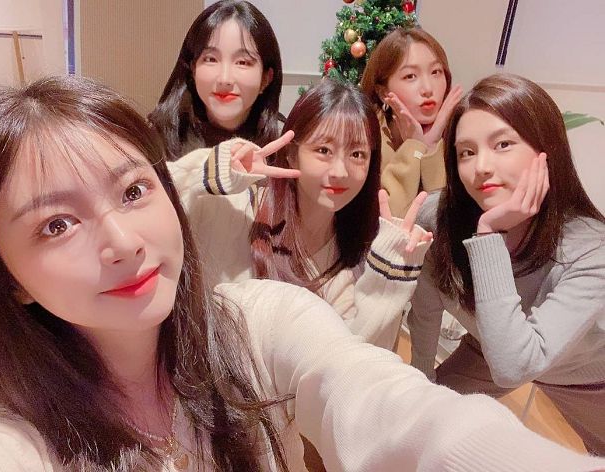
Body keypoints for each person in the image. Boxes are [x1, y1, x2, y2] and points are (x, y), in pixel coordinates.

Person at [0, 75, 605, 472]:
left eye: (134, 191)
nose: (121, 242)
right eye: (56, 224)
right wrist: (213, 173)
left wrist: (392, 277)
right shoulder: (7, 436)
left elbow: (385, 397)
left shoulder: (260, 317)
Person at [407, 73, 605, 456]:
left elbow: (515, 365)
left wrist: (488, 236)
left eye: (502, 144)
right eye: (466, 152)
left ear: (546, 150)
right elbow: (426, 310)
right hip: (489, 349)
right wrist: (420, 384)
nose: (481, 166)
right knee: (422, 420)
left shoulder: (591, 249)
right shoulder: (439, 216)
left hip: (587, 381)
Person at [169, 78, 432, 352]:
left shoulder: (356, 261)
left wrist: (386, 283)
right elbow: (156, 199)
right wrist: (212, 169)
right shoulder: (237, 211)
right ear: (292, 154)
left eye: (357, 154)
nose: (340, 171)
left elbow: (353, 364)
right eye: (323, 150)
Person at [148, 0, 283, 158]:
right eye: (211, 59)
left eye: (242, 62)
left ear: (266, 78)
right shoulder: (156, 139)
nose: (224, 79)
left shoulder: (283, 144)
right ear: (193, 69)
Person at [360, 27, 462, 217]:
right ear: (383, 92)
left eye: (436, 72)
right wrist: (414, 147)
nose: (427, 88)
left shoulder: (459, 135)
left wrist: (431, 148)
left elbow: (445, 221)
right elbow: (389, 222)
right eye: (410, 76)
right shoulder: (366, 138)